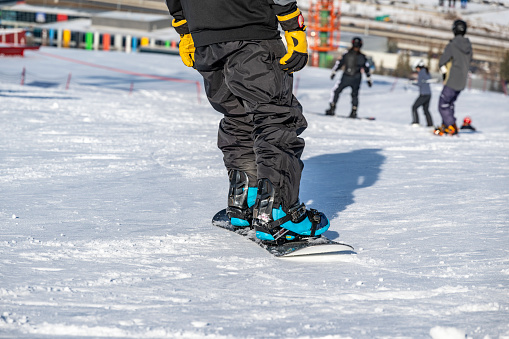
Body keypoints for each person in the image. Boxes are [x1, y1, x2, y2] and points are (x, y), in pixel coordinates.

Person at [165, 0, 330, 244]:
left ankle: (244, 203)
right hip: (251, 29)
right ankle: (279, 214)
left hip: (204, 35)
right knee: (274, 117)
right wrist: (293, 25)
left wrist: (184, 27)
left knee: (237, 114)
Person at [434, 19, 473, 136]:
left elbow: (442, 61)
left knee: (443, 104)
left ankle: (451, 126)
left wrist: (444, 72)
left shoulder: (452, 45)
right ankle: (446, 125)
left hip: (452, 80)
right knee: (449, 104)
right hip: (462, 82)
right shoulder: (469, 46)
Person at [325, 37, 372, 118]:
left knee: (336, 91)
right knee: (354, 95)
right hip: (357, 78)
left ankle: (332, 108)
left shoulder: (346, 54)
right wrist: (369, 79)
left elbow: (339, 63)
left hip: (346, 76)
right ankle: (354, 111)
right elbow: (366, 68)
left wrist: (334, 72)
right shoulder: (362, 56)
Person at [410, 59, 434, 127]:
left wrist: (412, 82)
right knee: (426, 110)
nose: (416, 69)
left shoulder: (421, 72)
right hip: (428, 94)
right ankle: (430, 124)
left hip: (423, 94)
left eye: (417, 68)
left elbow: (419, 83)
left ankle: (416, 122)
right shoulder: (427, 71)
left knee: (414, 107)